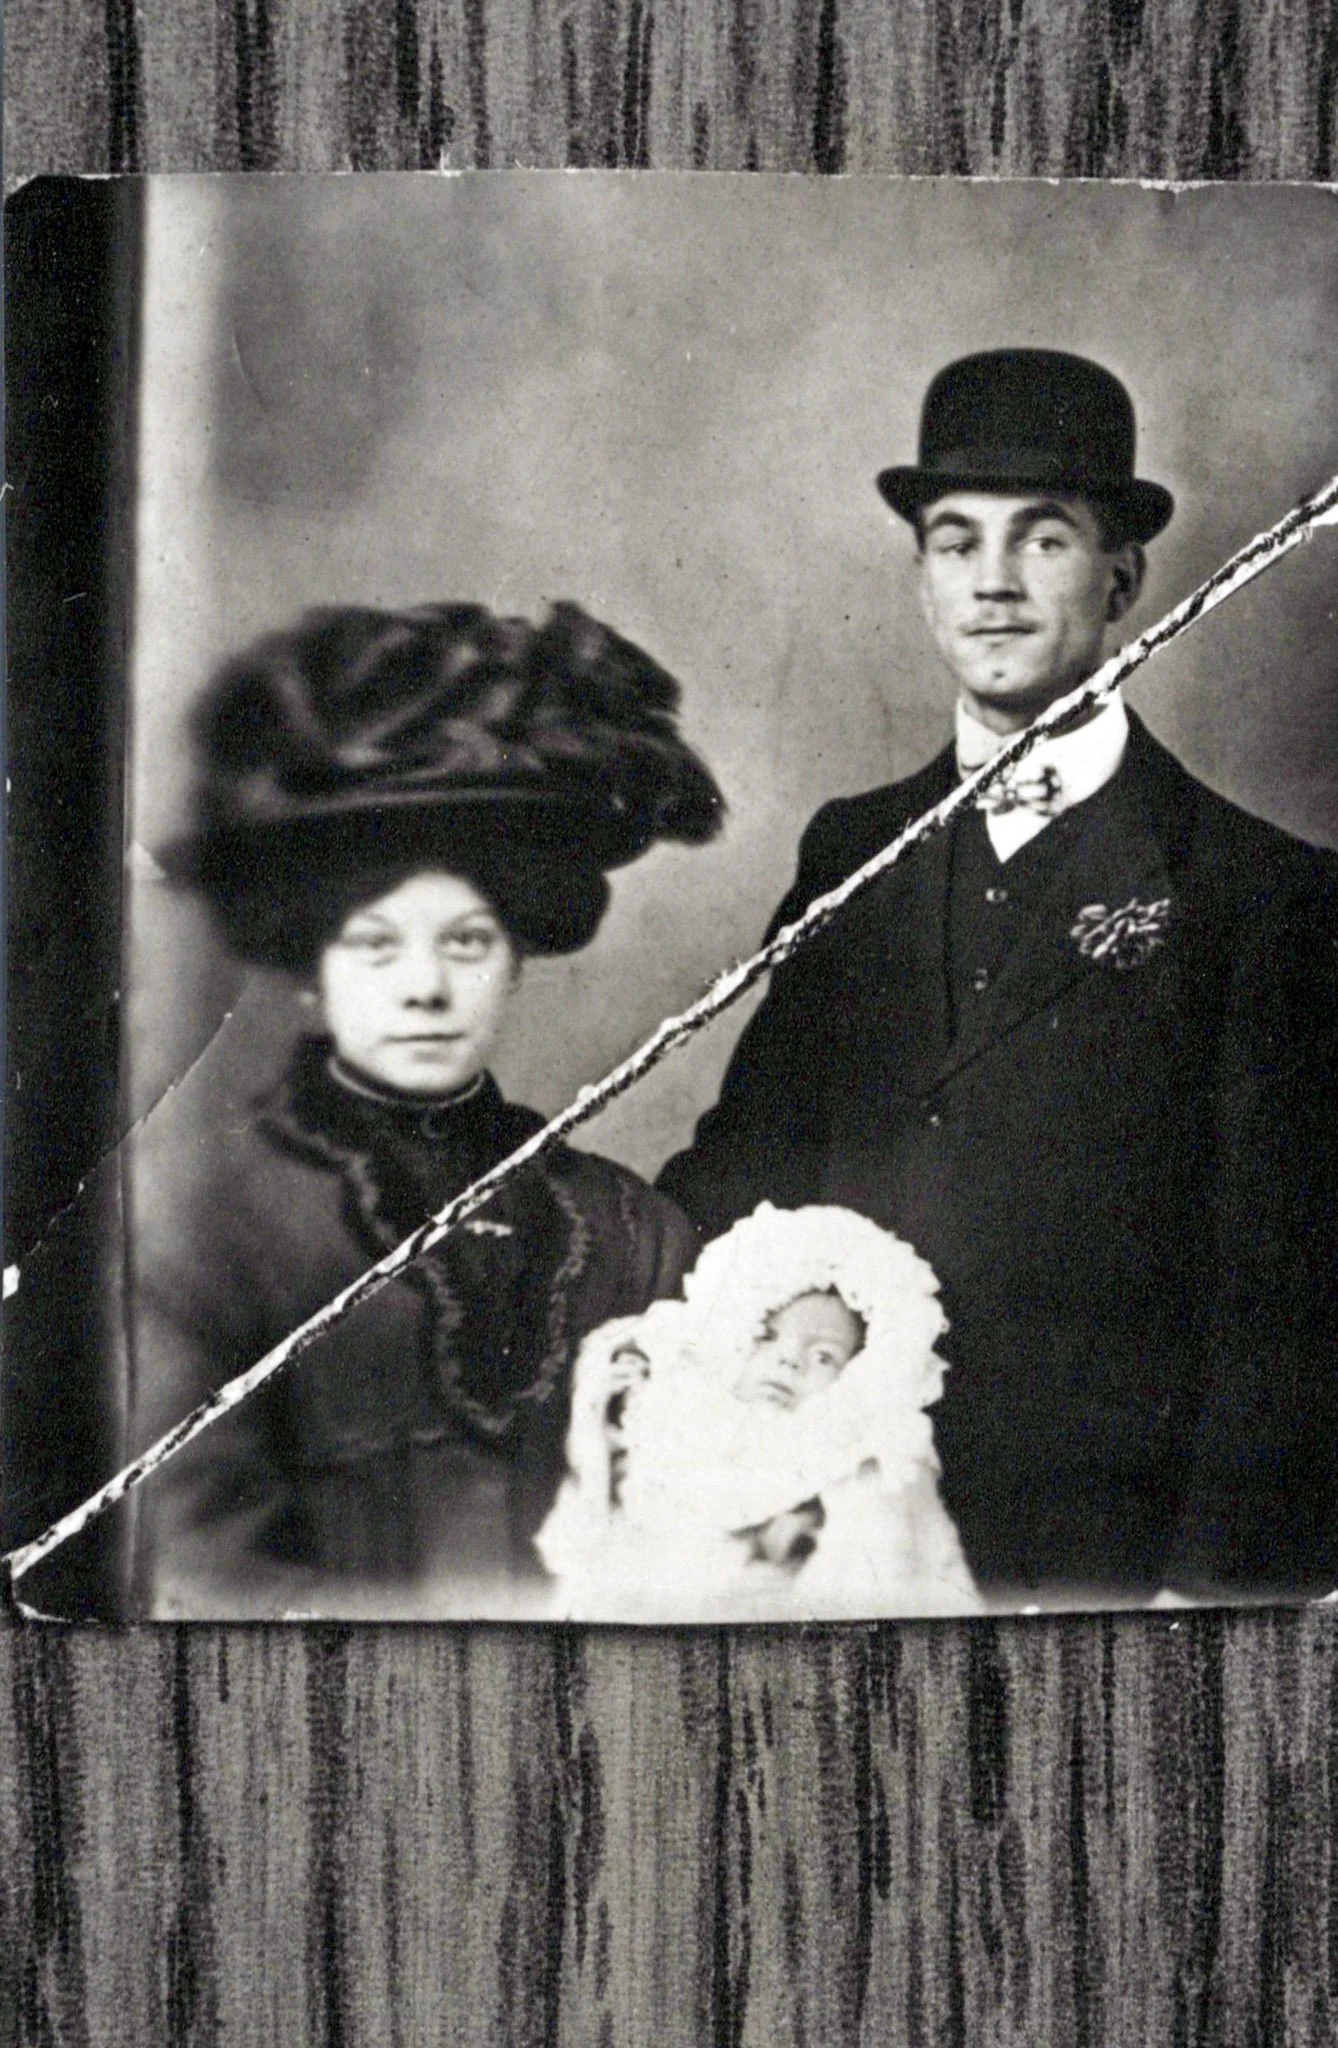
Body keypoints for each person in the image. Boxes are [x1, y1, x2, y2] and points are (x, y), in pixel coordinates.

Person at [660, 349, 1338, 1606]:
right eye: (955, 541)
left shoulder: (1264, 893)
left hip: (1106, 1556)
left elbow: (1283, 1301)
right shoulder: (853, 847)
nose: (995, 582)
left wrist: (1210, 1602)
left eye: (1044, 540)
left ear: (1121, 575)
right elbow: (753, 1152)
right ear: (920, 579)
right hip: (836, 1530)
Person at [130, 600, 724, 1619]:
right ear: (310, 966)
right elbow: (191, 1566)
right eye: (376, 943)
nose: (425, 988)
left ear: (519, 961)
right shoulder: (201, 1232)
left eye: (466, 942)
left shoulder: (634, 1232)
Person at [536, 1202, 983, 1620]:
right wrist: (597, 1433)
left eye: (823, 1356)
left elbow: (883, 1565)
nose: (789, 1361)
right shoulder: (682, 1416)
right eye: (767, 1337)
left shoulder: (848, 1447)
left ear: (855, 1376)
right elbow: (591, 1533)